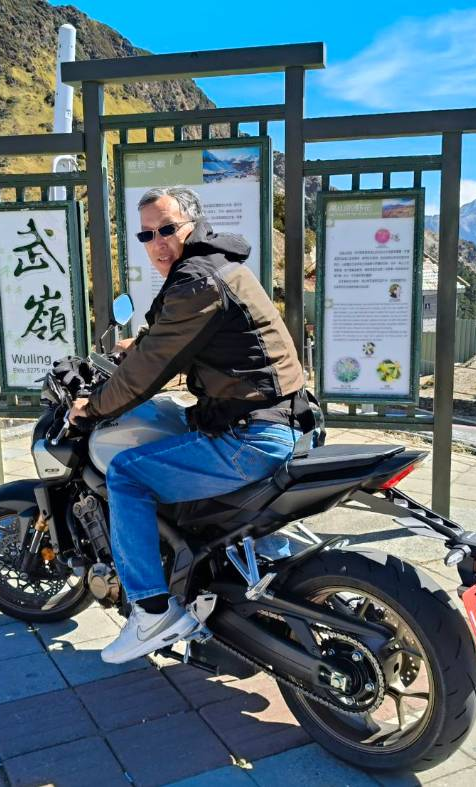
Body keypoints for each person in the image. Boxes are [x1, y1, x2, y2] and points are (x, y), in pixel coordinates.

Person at [69, 185, 310, 664]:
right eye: (146, 235)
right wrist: (139, 344)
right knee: (177, 426)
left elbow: (149, 371)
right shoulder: (213, 268)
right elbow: (181, 334)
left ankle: (153, 612)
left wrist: (93, 406)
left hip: (254, 436)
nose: (157, 243)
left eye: (166, 229)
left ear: (193, 225)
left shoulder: (197, 279)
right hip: (284, 420)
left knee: (128, 475)